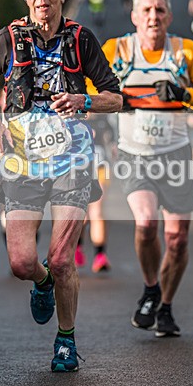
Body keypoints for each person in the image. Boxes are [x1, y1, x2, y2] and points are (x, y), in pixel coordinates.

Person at [0, 0, 123, 371]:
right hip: (22, 162)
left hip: (72, 158)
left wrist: (83, 99)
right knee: (21, 262)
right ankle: (42, 283)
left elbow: (116, 97)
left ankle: (66, 341)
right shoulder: (10, 38)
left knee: (63, 257)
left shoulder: (80, 39)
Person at [102, 0, 193, 338]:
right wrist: (117, 99)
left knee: (178, 240)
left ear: (169, 17)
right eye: (147, 11)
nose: (153, 17)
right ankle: (150, 287)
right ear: (134, 17)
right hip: (134, 154)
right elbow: (91, 90)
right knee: (145, 223)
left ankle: (165, 307)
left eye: (159, 11)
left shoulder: (185, 51)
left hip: (176, 155)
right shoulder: (118, 50)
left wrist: (185, 94)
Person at [75, 114, 116, 272]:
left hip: (100, 168)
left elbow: (113, 145)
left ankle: (100, 255)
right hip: (78, 169)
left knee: (97, 211)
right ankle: (77, 248)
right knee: (82, 213)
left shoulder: (104, 120)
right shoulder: (72, 117)